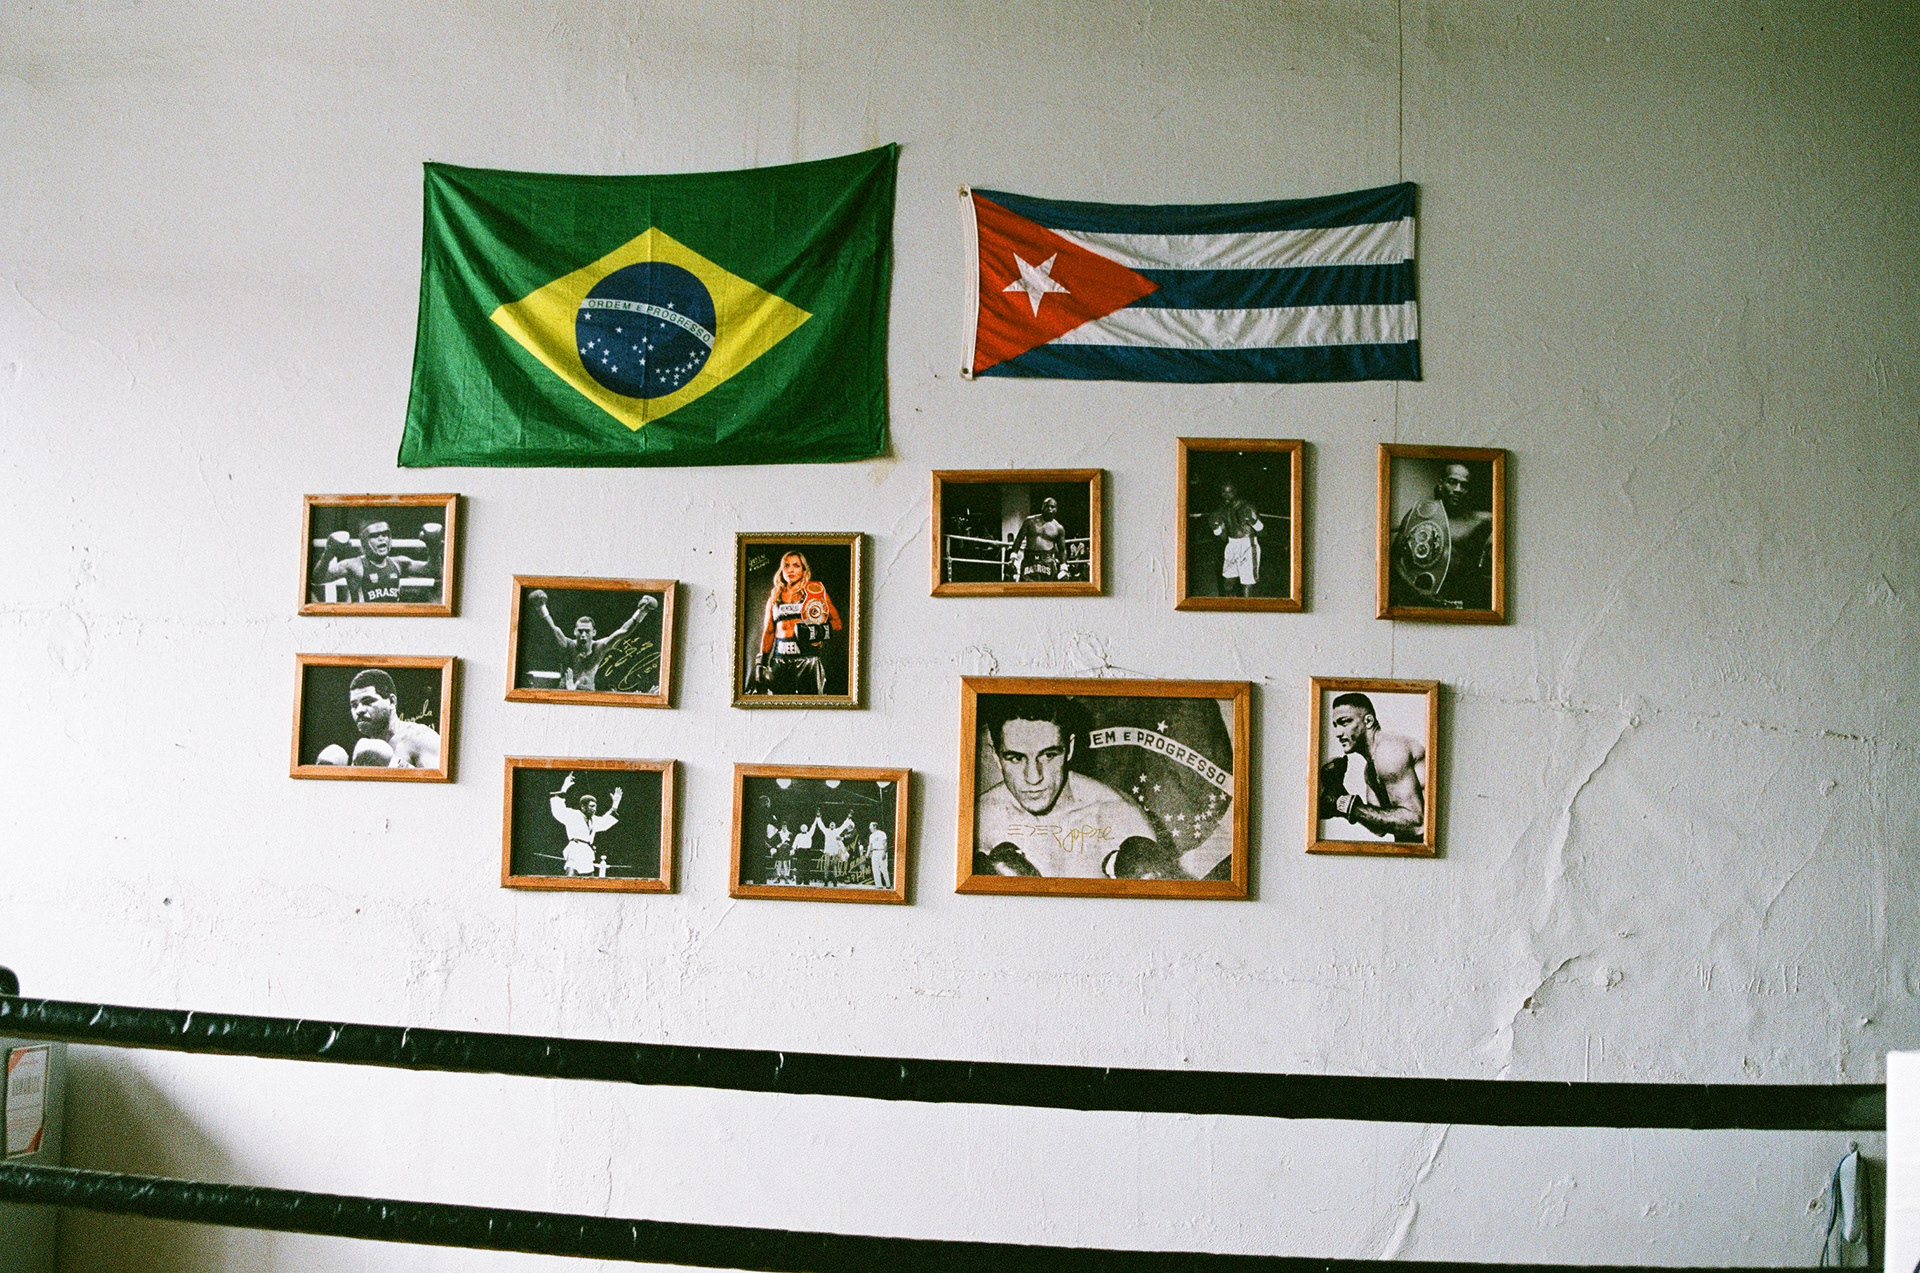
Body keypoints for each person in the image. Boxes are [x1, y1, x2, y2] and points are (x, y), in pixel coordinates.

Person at [973, 696, 1163, 878]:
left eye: (1048, 755)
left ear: (1069, 748)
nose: (1033, 778)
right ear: (996, 756)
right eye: (1016, 758)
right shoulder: (980, 821)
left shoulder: (1119, 817)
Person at [1317, 692, 1426, 843]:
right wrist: (1341, 798)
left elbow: (1417, 824)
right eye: (1335, 726)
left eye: (1345, 722)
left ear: (1368, 721)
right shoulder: (1370, 769)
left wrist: (1342, 802)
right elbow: (1379, 829)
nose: (1338, 733)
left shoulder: (1389, 752)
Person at [1392, 462, 1493, 609]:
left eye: (1464, 485)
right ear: (1441, 484)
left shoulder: (1482, 521)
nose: (1458, 489)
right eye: (1452, 482)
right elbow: (1394, 559)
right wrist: (1418, 593)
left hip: (1462, 602)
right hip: (1420, 601)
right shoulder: (1419, 514)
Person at [748, 551, 843, 696]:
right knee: (779, 704)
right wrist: (762, 663)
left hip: (807, 660)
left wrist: (815, 632)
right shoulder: (775, 594)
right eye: (786, 566)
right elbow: (769, 631)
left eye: (796, 565)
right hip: (780, 660)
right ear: (781, 570)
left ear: (804, 569)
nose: (790, 570)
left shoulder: (815, 591)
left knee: (811, 704)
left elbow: (837, 624)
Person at [525, 589, 658, 691]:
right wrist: (540, 607)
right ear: (575, 632)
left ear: (593, 633)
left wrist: (642, 612)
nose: (583, 634)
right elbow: (553, 629)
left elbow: (623, 631)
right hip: (566, 690)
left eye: (587, 631)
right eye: (580, 631)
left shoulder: (599, 647)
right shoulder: (568, 646)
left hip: (589, 691)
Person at [314, 668, 440, 769]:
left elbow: (439, 788)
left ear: (391, 702)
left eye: (368, 701)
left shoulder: (420, 737)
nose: (359, 710)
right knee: (334, 755)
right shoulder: (363, 750)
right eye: (354, 705)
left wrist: (394, 764)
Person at [310, 517, 439, 605]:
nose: (382, 539)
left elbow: (432, 571)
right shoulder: (353, 565)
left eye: (385, 534)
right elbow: (317, 578)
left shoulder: (399, 563)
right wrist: (328, 554)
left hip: (392, 620)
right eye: (375, 536)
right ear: (365, 542)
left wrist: (433, 547)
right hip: (364, 620)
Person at [548, 773, 622, 876]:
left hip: (587, 854)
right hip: (575, 851)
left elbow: (605, 822)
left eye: (595, 807)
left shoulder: (593, 820)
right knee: (570, 880)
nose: (594, 809)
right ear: (583, 807)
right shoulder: (573, 815)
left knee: (589, 882)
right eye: (591, 806)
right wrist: (564, 787)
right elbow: (558, 810)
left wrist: (615, 803)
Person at [1208, 481, 1265, 597]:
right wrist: (1216, 529)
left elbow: (1264, 532)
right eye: (1223, 492)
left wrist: (1253, 521)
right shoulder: (1222, 510)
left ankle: (1246, 608)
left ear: (1235, 492)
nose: (1226, 495)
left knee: (1247, 583)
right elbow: (1223, 537)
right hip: (1231, 545)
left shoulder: (1247, 506)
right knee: (1228, 583)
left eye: (1229, 492)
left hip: (1248, 545)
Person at [1008, 497, 1067, 582]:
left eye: (1052, 507)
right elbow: (1019, 539)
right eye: (1047, 506)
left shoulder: (1058, 528)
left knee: (1047, 588)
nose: (1049, 509)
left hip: (1047, 561)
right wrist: (1013, 556)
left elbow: (1062, 549)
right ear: (1042, 507)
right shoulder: (1030, 521)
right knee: (1026, 587)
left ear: (1056, 509)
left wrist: (1063, 566)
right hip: (1029, 560)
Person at [866, 821, 891, 889]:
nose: (869, 828)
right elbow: (870, 845)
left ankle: (888, 885)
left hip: (881, 851)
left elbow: (885, 843)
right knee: (875, 869)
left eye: (870, 826)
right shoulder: (871, 836)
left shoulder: (882, 833)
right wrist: (867, 853)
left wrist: (884, 852)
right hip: (874, 852)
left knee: (884, 869)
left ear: (874, 826)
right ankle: (879, 885)